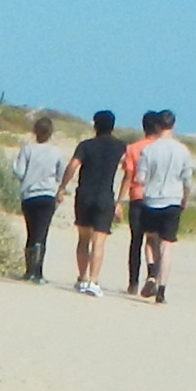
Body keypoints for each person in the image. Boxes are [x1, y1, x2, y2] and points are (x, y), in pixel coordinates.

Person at [127, 108, 191, 303]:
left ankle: (152, 272)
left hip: (152, 199)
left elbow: (141, 178)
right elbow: (187, 180)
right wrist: (184, 199)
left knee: (150, 239)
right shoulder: (182, 150)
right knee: (167, 245)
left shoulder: (149, 149)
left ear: (157, 126)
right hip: (173, 199)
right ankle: (162, 289)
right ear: (173, 125)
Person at [66, 110, 127, 294]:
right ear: (113, 126)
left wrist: (62, 186)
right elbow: (129, 171)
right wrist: (120, 201)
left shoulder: (86, 145)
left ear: (95, 125)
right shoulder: (120, 147)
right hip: (105, 196)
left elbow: (73, 165)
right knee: (99, 241)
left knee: (83, 238)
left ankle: (82, 278)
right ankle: (93, 281)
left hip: (84, 194)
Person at [7, 109, 65, 279]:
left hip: (29, 195)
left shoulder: (27, 149)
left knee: (31, 233)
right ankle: (38, 272)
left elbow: (19, 172)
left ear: (34, 132)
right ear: (51, 133)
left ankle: (29, 271)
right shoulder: (56, 152)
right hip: (47, 195)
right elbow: (60, 174)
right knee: (42, 234)